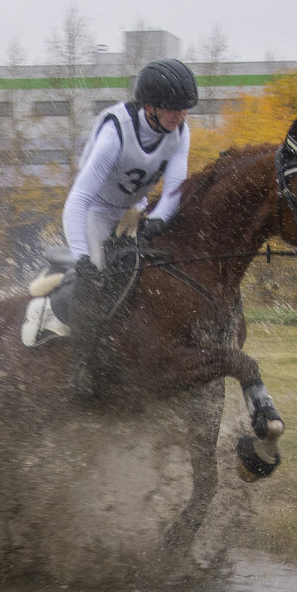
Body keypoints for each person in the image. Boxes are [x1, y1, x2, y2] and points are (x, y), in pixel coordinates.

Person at [62, 58, 198, 397]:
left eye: (184, 110)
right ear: (148, 107)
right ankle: (83, 368)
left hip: (134, 211)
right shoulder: (115, 132)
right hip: (96, 212)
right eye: (172, 110)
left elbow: (175, 190)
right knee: (95, 283)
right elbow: (77, 200)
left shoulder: (179, 130)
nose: (180, 116)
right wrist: (81, 257)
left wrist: (159, 220)